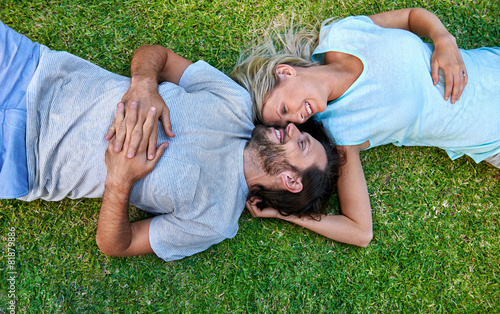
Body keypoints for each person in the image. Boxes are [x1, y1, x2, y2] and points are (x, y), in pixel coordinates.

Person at [0, 21, 344, 262]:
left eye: (300, 145)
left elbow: (116, 245)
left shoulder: (216, 219)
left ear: (291, 181)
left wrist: (120, 180)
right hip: (30, 69)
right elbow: (156, 56)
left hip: (21, 159)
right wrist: (144, 84)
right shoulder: (234, 101)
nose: (294, 129)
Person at [229, 8, 500, 168]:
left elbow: (411, 16)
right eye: (287, 121)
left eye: (284, 108)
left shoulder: (342, 35)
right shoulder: (340, 130)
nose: (297, 119)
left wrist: (443, 38)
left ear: (285, 72)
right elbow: (360, 230)